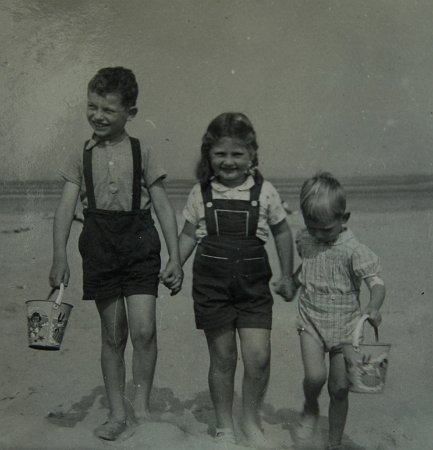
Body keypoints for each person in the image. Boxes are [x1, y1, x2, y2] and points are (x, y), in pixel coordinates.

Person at [49, 67, 183, 441]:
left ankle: (140, 407)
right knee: (113, 335)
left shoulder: (144, 151)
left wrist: (175, 256)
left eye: (108, 109)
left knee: (144, 329)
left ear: (131, 113)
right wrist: (59, 257)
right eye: (92, 107)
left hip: (140, 244)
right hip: (99, 247)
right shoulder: (79, 154)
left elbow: (163, 206)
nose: (98, 116)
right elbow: (64, 209)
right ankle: (116, 411)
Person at [172, 112, 296, 448]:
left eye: (237, 154)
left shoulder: (265, 192)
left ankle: (251, 418)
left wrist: (287, 274)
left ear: (252, 154)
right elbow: (186, 235)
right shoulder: (200, 194)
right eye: (220, 154)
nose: (228, 162)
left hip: (254, 288)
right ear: (208, 155)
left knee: (258, 357)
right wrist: (174, 264)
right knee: (223, 357)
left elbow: (283, 233)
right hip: (212, 288)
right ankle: (225, 424)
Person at [293, 172, 386, 450]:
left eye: (326, 229)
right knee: (314, 377)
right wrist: (292, 281)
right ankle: (310, 406)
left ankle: (334, 442)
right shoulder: (305, 240)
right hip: (311, 320)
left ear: (344, 219)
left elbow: (377, 283)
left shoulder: (354, 250)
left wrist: (373, 305)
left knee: (340, 388)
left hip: (346, 328)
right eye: (312, 227)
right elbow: (308, 267)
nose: (319, 235)